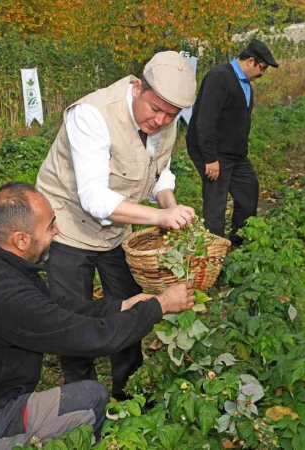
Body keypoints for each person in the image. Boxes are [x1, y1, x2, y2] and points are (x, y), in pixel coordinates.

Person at [0, 182, 196, 449]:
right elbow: (94, 338)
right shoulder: (6, 298)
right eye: (50, 226)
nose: (57, 231)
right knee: (91, 399)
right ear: (21, 239)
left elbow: (57, 304)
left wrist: (121, 305)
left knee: (83, 394)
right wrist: (160, 305)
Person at [36, 51, 197, 401]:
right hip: (67, 225)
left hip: (116, 230)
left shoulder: (163, 123)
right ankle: (81, 398)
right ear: (138, 87)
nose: (161, 120)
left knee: (131, 304)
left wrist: (168, 202)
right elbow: (94, 198)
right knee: (73, 315)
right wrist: (158, 217)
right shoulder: (93, 115)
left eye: (172, 115)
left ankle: (129, 391)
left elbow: (159, 169)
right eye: (156, 109)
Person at [185, 39, 278, 246]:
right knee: (216, 204)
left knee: (249, 193)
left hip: (236, 155)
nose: (262, 74)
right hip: (213, 153)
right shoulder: (219, 78)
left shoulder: (246, 85)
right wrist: (210, 158)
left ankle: (238, 243)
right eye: (262, 68)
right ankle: (213, 255)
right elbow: (205, 120)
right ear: (251, 61)